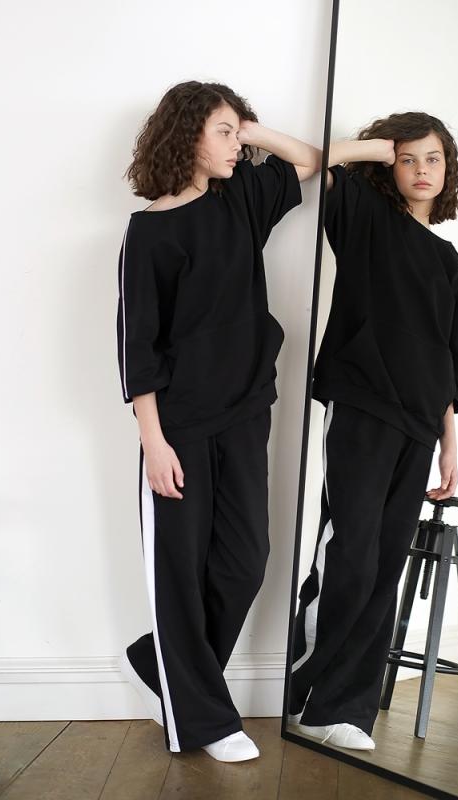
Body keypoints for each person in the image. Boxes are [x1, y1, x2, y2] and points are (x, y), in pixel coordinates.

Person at [116, 80, 321, 761]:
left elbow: (309, 160)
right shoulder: (149, 232)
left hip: (245, 413)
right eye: (224, 132)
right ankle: (203, 721)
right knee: (179, 571)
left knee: (245, 561)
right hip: (177, 426)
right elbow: (138, 345)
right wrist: (152, 441)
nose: (237, 145)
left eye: (239, 132)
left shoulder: (241, 201)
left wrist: (250, 131)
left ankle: (161, 663)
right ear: (188, 137)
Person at [288, 112, 458, 751]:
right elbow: (318, 163)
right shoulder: (366, 217)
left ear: (448, 171)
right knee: (350, 556)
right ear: (389, 166)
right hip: (362, 406)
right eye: (409, 159)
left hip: (419, 429)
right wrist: (375, 148)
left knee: (384, 569)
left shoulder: (452, 267)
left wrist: (450, 446)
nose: (422, 170)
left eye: (433, 159)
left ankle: (341, 708)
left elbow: (448, 368)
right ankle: (300, 690)